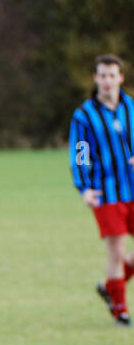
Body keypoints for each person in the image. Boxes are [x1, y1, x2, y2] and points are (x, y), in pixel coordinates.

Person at [69, 54, 134, 326]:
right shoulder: (84, 115)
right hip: (105, 192)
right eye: (102, 75)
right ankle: (120, 310)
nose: (107, 81)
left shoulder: (130, 107)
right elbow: (80, 154)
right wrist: (84, 188)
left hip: (133, 188)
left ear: (120, 77)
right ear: (95, 78)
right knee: (116, 251)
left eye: (112, 75)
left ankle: (110, 287)